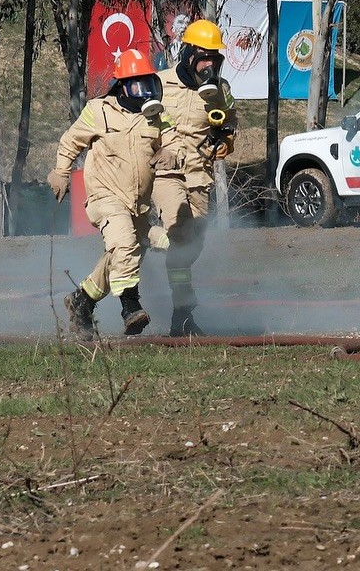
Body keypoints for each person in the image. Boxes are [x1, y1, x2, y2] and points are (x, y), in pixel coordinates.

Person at [49, 49, 167, 339]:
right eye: (137, 85)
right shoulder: (99, 110)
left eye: (149, 85)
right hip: (105, 197)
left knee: (123, 253)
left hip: (137, 205)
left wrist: (173, 154)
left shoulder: (156, 117)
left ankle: (82, 302)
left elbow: (173, 142)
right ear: (122, 87)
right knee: (124, 243)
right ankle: (130, 306)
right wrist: (62, 171)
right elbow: (70, 140)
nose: (144, 93)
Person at [150, 19, 237, 337]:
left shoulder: (221, 90)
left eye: (215, 59)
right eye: (205, 58)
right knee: (179, 233)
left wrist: (223, 137)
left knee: (190, 247)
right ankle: (150, 235)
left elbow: (229, 133)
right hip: (166, 174)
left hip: (199, 177)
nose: (210, 65)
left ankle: (181, 318)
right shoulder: (159, 83)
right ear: (187, 54)